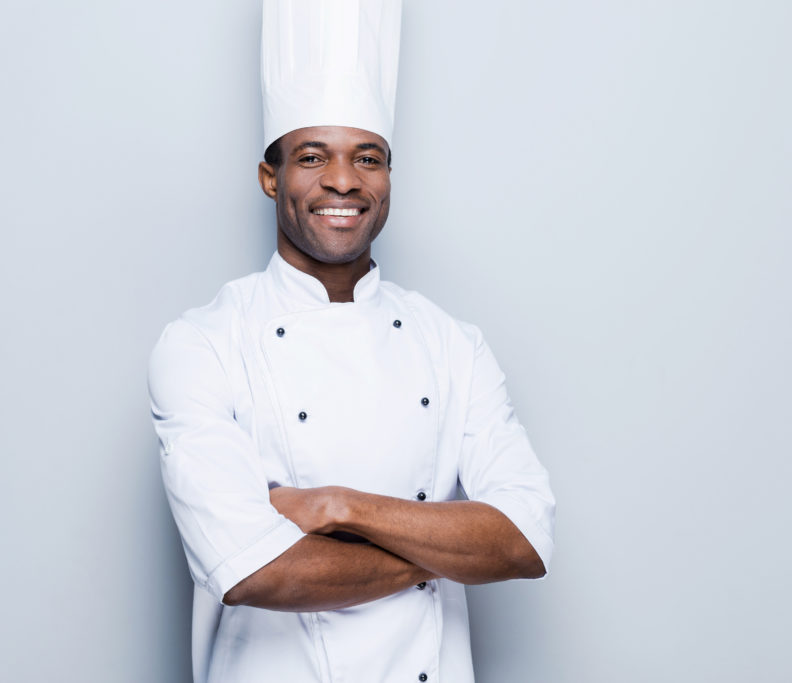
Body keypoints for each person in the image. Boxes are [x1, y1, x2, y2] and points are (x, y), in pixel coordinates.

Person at [147, 1, 555, 681]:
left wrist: (340, 506)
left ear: (389, 177)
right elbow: (257, 571)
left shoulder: (453, 344)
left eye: (368, 157)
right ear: (270, 176)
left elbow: (524, 540)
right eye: (313, 157)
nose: (343, 180)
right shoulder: (202, 345)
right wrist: (447, 550)